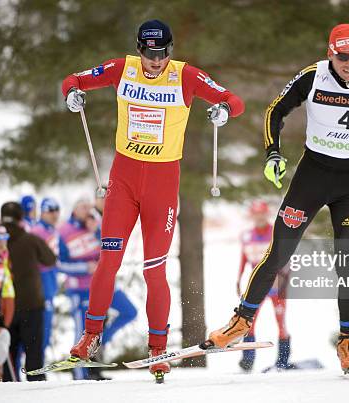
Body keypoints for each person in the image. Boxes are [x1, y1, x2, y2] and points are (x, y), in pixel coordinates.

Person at [208, 23, 349, 376]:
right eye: (343, 57)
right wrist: (273, 154)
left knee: (346, 260)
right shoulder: (313, 76)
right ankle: (242, 320)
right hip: (311, 178)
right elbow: (275, 111)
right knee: (279, 252)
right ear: (331, 53)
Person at [61, 19, 244, 378]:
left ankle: (158, 348)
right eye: (148, 53)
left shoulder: (184, 76)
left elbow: (232, 100)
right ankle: (91, 335)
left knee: (154, 269)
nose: (155, 61)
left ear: (169, 51)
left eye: (161, 54)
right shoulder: (122, 68)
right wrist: (72, 93)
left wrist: (223, 110)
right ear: (139, 49)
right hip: (124, 180)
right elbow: (74, 79)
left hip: (162, 182)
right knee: (108, 260)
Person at [58, 199, 137, 380]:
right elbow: (60, 263)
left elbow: (112, 247)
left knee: (129, 311)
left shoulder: (96, 224)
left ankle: (99, 341)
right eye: (83, 207)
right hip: (81, 288)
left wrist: (96, 231)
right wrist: (85, 268)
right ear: (74, 209)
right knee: (82, 332)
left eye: (89, 207)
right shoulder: (64, 231)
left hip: (105, 284)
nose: (87, 211)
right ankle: (80, 375)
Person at [0, 201, 56, 381]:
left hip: (4, 307)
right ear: (21, 218)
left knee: (8, 356)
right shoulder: (31, 240)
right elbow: (50, 259)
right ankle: (37, 392)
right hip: (31, 305)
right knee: (34, 356)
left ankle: (9, 392)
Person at [237, 201, 292, 372]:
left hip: (276, 286)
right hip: (257, 286)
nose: (259, 217)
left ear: (267, 214)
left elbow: (288, 260)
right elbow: (244, 260)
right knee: (249, 322)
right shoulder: (246, 236)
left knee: (281, 323)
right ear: (252, 216)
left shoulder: (276, 233)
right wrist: (238, 280)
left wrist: (285, 282)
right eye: (256, 214)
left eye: (262, 213)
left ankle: (283, 361)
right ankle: (248, 360)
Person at [30, 197, 61, 354]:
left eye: (57, 211)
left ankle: (39, 364)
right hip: (41, 283)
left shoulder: (53, 230)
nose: (54, 214)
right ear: (42, 212)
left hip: (50, 282)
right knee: (42, 328)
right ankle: (35, 366)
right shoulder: (37, 231)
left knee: (46, 330)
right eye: (50, 211)